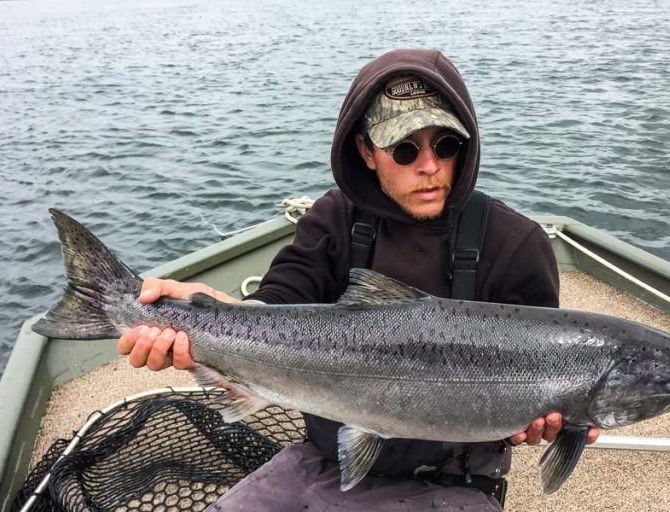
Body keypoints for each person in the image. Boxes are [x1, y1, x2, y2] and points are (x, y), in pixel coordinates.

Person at [117, 48, 599, 511]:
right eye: (404, 149)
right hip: (323, 454)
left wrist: (546, 421)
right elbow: (279, 301)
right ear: (366, 151)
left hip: (455, 475)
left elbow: (541, 366)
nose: (429, 166)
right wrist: (211, 315)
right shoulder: (335, 219)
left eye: (445, 145)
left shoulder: (516, 243)